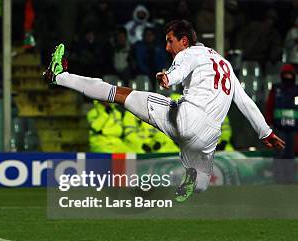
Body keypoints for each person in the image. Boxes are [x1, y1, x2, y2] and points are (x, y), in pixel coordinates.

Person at [43, 20, 285, 202]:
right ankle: (192, 180)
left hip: (187, 119)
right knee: (200, 182)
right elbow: (244, 101)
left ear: (185, 41)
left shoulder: (191, 53)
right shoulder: (225, 64)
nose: (168, 46)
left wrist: (168, 77)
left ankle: (59, 76)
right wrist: (265, 132)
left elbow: (179, 69)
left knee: (121, 94)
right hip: (210, 136)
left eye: (170, 41)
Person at [265, 64, 298, 183]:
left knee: (290, 154)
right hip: (279, 128)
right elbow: (269, 105)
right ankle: (278, 179)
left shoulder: (297, 90)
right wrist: (268, 122)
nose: (288, 77)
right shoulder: (276, 89)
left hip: (293, 129)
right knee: (279, 153)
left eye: (290, 74)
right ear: (282, 75)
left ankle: (289, 179)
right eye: (286, 74)